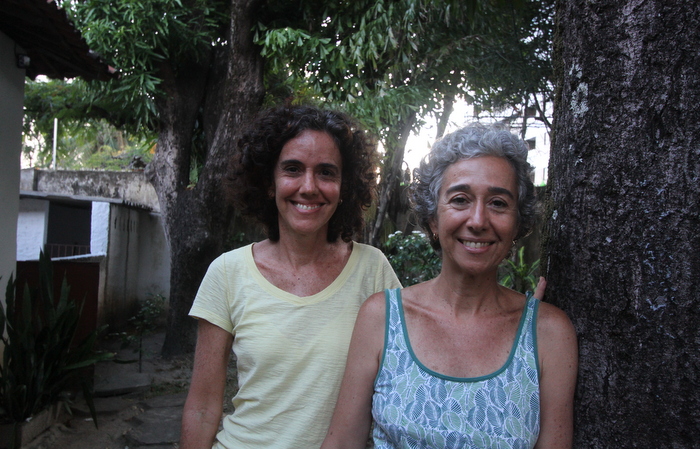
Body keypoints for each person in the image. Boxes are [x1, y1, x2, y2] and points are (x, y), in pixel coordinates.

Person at [321, 123, 578, 449]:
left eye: (498, 203)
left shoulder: (549, 333)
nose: (478, 220)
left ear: (518, 223)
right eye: (460, 199)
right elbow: (342, 442)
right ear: (433, 218)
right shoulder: (382, 318)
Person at [180, 105, 401, 449]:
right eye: (293, 169)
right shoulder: (227, 273)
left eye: (326, 173)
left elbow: (400, 390)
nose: (309, 187)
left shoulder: (373, 271)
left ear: (345, 187)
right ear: (269, 183)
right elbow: (203, 408)